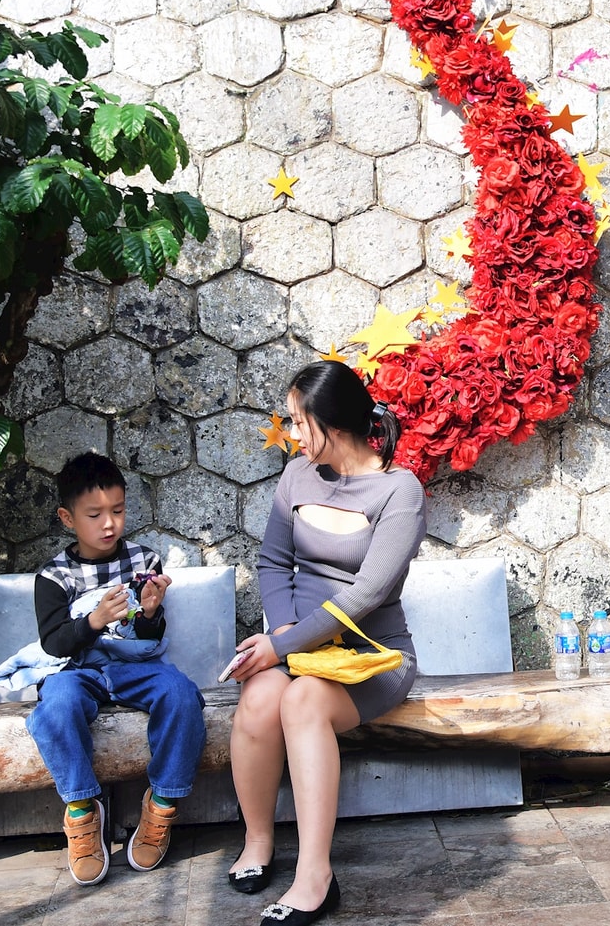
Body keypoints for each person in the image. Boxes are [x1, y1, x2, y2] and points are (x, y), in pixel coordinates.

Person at [224, 361, 426, 925]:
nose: (292, 433)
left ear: (332, 424)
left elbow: (365, 596)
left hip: (372, 655)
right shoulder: (297, 475)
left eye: (297, 421)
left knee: (302, 699)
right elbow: (272, 562)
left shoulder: (399, 490)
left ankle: (315, 878)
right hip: (298, 644)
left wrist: (285, 649)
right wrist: (283, 637)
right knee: (259, 699)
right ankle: (258, 842)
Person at [26, 452, 205, 887]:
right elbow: (53, 643)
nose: (109, 524)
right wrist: (93, 621)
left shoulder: (144, 561)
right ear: (67, 518)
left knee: (181, 694)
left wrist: (150, 613)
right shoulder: (54, 576)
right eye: (95, 515)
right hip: (78, 670)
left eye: (118, 511)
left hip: (133, 667)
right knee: (55, 706)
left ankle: (162, 805)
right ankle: (81, 810)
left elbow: (148, 638)